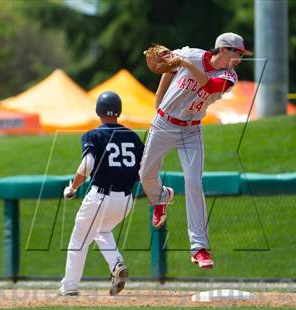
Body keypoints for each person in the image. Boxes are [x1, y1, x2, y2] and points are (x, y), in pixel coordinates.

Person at [139, 32, 252, 269]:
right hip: (164, 123)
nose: (240, 58)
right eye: (238, 53)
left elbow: (209, 86)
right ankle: (160, 198)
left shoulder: (229, 76)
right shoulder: (190, 53)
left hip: (191, 130)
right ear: (223, 49)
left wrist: (185, 63)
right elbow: (167, 68)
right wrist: (158, 99)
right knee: (145, 174)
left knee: (193, 183)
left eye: (241, 54)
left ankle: (199, 248)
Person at [59, 91, 145, 296]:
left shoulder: (94, 135)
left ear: (98, 111)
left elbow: (88, 165)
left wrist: (72, 188)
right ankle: (116, 265)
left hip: (101, 196)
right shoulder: (133, 137)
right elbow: (145, 170)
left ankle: (69, 287)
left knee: (79, 240)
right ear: (119, 111)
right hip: (126, 199)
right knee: (101, 231)